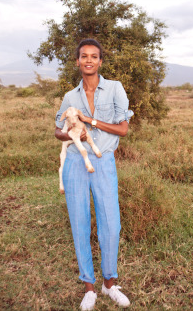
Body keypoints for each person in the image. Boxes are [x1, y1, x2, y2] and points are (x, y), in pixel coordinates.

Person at [55, 38, 133, 310]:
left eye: (94, 56)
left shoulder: (114, 89)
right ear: (77, 61)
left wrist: (90, 121)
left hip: (103, 161)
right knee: (79, 223)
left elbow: (123, 129)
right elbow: (57, 129)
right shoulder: (70, 96)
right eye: (84, 56)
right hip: (76, 162)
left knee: (111, 225)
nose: (89, 60)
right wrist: (69, 132)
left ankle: (109, 283)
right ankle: (89, 285)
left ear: (100, 61)